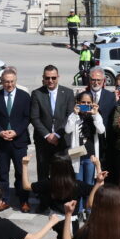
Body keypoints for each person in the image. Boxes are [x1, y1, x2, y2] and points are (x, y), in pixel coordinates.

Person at [28, 65, 74, 200]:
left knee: (61, 171)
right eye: (47, 78)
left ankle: (60, 198)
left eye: (53, 78)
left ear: (58, 77)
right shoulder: (37, 93)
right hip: (43, 140)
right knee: (42, 171)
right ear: (43, 78)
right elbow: (34, 117)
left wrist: (58, 134)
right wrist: (48, 135)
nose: (50, 81)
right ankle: (44, 200)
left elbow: (69, 116)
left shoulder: (68, 93)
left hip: (62, 139)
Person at [0, 67, 31, 211]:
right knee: (3, 173)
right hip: (1, 142)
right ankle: (4, 200)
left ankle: (23, 200)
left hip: (19, 142)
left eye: (12, 81)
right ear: (2, 81)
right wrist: (0, 132)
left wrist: (16, 132)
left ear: (16, 81)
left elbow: (27, 118)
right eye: (6, 82)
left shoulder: (24, 96)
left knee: (21, 172)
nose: (9, 85)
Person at [65, 89, 104, 209]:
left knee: (89, 184)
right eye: (83, 103)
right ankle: (79, 209)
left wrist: (95, 114)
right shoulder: (74, 116)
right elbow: (67, 130)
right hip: (77, 155)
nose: (86, 105)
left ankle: (89, 208)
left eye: (88, 103)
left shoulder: (96, 115)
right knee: (77, 184)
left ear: (92, 103)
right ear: (78, 102)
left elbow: (101, 130)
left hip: (91, 156)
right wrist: (74, 114)